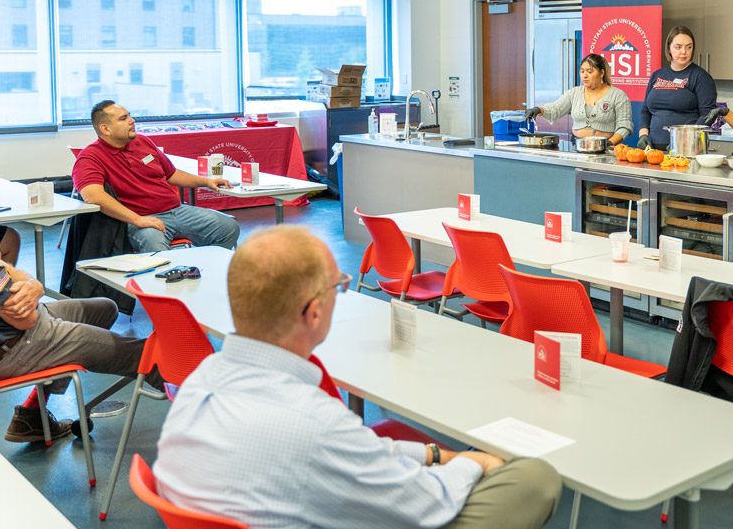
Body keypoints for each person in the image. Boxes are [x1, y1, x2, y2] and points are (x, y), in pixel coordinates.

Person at [155, 225, 563, 529]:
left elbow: (352, 452)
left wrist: (438, 455)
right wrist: (472, 463)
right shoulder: (311, 422)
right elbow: (429, 502)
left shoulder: (203, 379)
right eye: (339, 286)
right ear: (313, 312)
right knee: (534, 478)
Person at [0, 147, 158, 442]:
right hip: (17, 345)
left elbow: (2, 271)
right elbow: (25, 319)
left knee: (105, 309)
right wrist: (14, 277)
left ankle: (32, 415)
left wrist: (29, 283)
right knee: (152, 354)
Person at [72, 100, 240, 253]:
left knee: (228, 228)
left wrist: (206, 181)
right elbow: (93, 196)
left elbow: (172, 174)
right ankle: (165, 283)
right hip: (139, 218)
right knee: (154, 244)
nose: (132, 121)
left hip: (177, 210)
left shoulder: (143, 142)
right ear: (105, 129)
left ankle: (201, 271)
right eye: (123, 118)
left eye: (130, 116)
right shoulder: (90, 157)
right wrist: (138, 220)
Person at [637, 26, 720, 149]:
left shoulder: (701, 77)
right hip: (652, 150)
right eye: (678, 47)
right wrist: (643, 135)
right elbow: (646, 110)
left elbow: (708, 115)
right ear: (669, 48)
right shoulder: (657, 75)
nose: (684, 52)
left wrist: (683, 140)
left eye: (689, 47)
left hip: (687, 149)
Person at [524, 53, 633, 144]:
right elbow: (555, 109)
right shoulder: (574, 93)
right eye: (582, 71)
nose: (585, 75)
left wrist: (609, 144)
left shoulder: (618, 95)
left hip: (607, 147)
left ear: (602, 73)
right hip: (577, 146)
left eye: (590, 72)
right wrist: (539, 110)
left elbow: (625, 126)